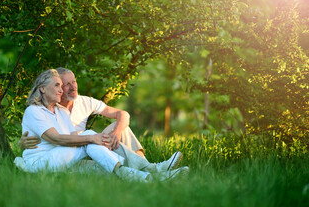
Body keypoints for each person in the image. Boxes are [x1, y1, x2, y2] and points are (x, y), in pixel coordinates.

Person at [14, 69, 189, 181]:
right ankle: (149, 169)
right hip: (42, 161)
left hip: (66, 157)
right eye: (58, 85)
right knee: (89, 136)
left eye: (67, 84)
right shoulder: (34, 110)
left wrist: (103, 138)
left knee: (103, 169)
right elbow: (57, 138)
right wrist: (93, 137)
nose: (63, 89)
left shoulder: (61, 111)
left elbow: (73, 136)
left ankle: (152, 177)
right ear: (42, 89)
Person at [19, 67, 147, 159]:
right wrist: (22, 144)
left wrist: (117, 132)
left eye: (74, 81)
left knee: (120, 127)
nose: (73, 87)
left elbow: (123, 114)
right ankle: (147, 170)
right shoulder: (50, 108)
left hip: (90, 145)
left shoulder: (85, 101)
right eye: (66, 84)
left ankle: (146, 164)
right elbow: (46, 136)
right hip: (70, 152)